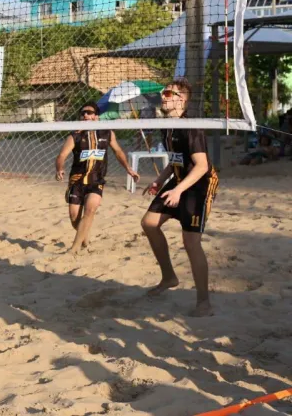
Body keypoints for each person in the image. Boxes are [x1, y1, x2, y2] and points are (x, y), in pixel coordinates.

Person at [141, 78, 218, 317]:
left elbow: (202, 166)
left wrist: (178, 190)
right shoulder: (167, 125)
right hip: (178, 180)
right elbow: (175, 159)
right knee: (149, 223)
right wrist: (160, 180)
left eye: (168, 93)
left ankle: (203, 302)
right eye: (164, 93)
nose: (163, 96)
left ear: (181, 99)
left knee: (190, 242)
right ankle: (169, 277)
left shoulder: (191, 126)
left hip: (199, 185)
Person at [55, 102, 139, 255]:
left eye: (89, 112)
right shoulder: (75, 135)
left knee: (90, 209)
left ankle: (74, 248)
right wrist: (59, 168)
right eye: (83, 113)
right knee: (75, 218)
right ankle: (84, 239)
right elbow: (61, 156)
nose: (85, 115)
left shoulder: (107, 133)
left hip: (96, 180)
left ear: (96, 116)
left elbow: (119, 152)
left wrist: (128, 168)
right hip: (77, 180)